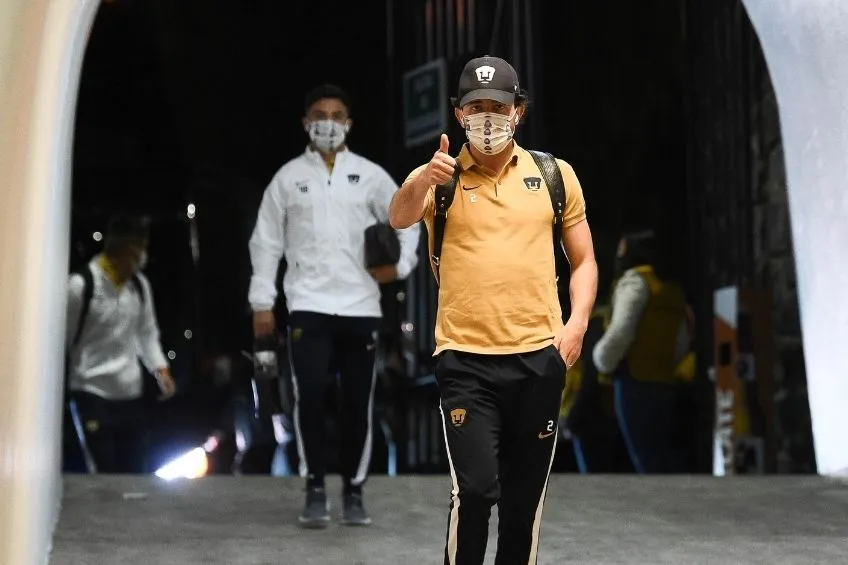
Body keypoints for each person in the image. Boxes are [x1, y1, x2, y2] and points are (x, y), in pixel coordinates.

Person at [389, 55, 598, 565]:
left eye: (498, 107)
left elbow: (584, 260)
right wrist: (423, 179)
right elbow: (398, 216)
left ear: (518, 111)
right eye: (476, 106)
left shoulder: (554, 175)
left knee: (523, 505)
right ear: (459, 114)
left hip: (538, 357)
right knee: (477, 491)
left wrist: (575, 327)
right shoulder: (440, 176)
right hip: (466, 359)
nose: (488, 117)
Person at [248, 84, 420, 528]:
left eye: (336, 115)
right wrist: (262, 302)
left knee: (358, 403)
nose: (328, 123)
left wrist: (400, 265)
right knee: (308, 397)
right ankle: (314, 488)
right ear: (306, 123)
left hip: (361, 306)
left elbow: (408, 216)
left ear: (349, 123)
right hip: (308, 304)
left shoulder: (370, 175)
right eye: (319, 115)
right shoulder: (288, 178)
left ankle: (354, 491)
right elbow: (265, 242)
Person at [65, 214, 175, 474]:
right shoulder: (81, 286)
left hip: (129, 395)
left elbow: (147, 334)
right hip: (91, 391)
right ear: (127, 249)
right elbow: (64, 339)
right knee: (103, 475)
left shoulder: (139, 286)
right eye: (141, 247)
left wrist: (161, 370)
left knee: (134, 475)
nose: (144, 255)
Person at [592, 230, 692, 473]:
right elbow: (682, 340)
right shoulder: (670, 289)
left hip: (634, 380)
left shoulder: (635, 282)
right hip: (664, 380)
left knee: (645, 458)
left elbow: (621, 331)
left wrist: (601, 359)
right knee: (661, 454)